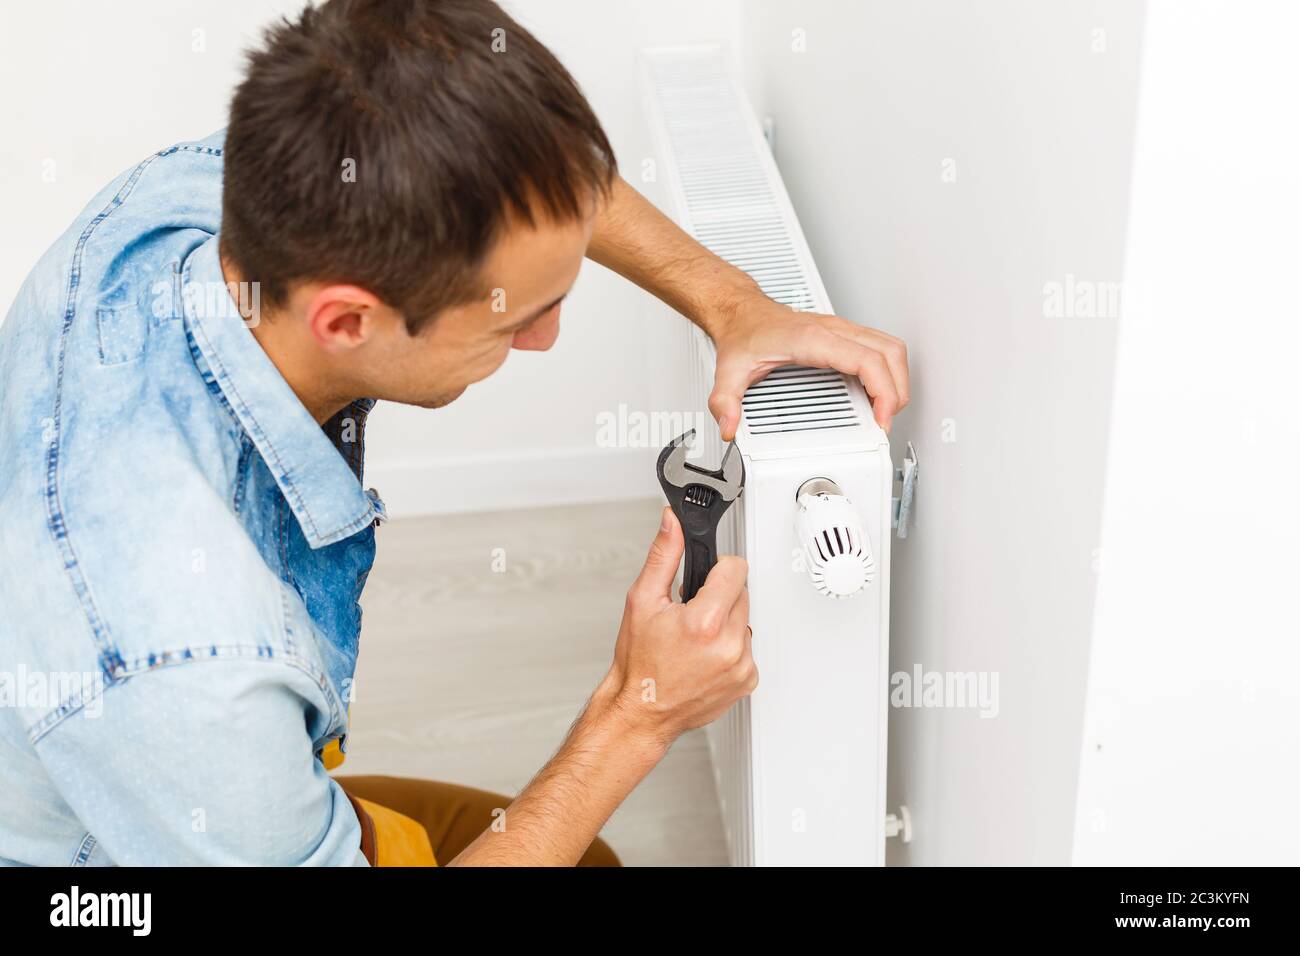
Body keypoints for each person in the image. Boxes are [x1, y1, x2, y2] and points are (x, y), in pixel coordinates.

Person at [0, 0, 908, 866]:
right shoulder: (187, 659)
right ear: (347, 322)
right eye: (515, 317)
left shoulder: (220, 194)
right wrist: (639, 712)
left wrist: (733, 304)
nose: (546, 335)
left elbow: (553, 180)